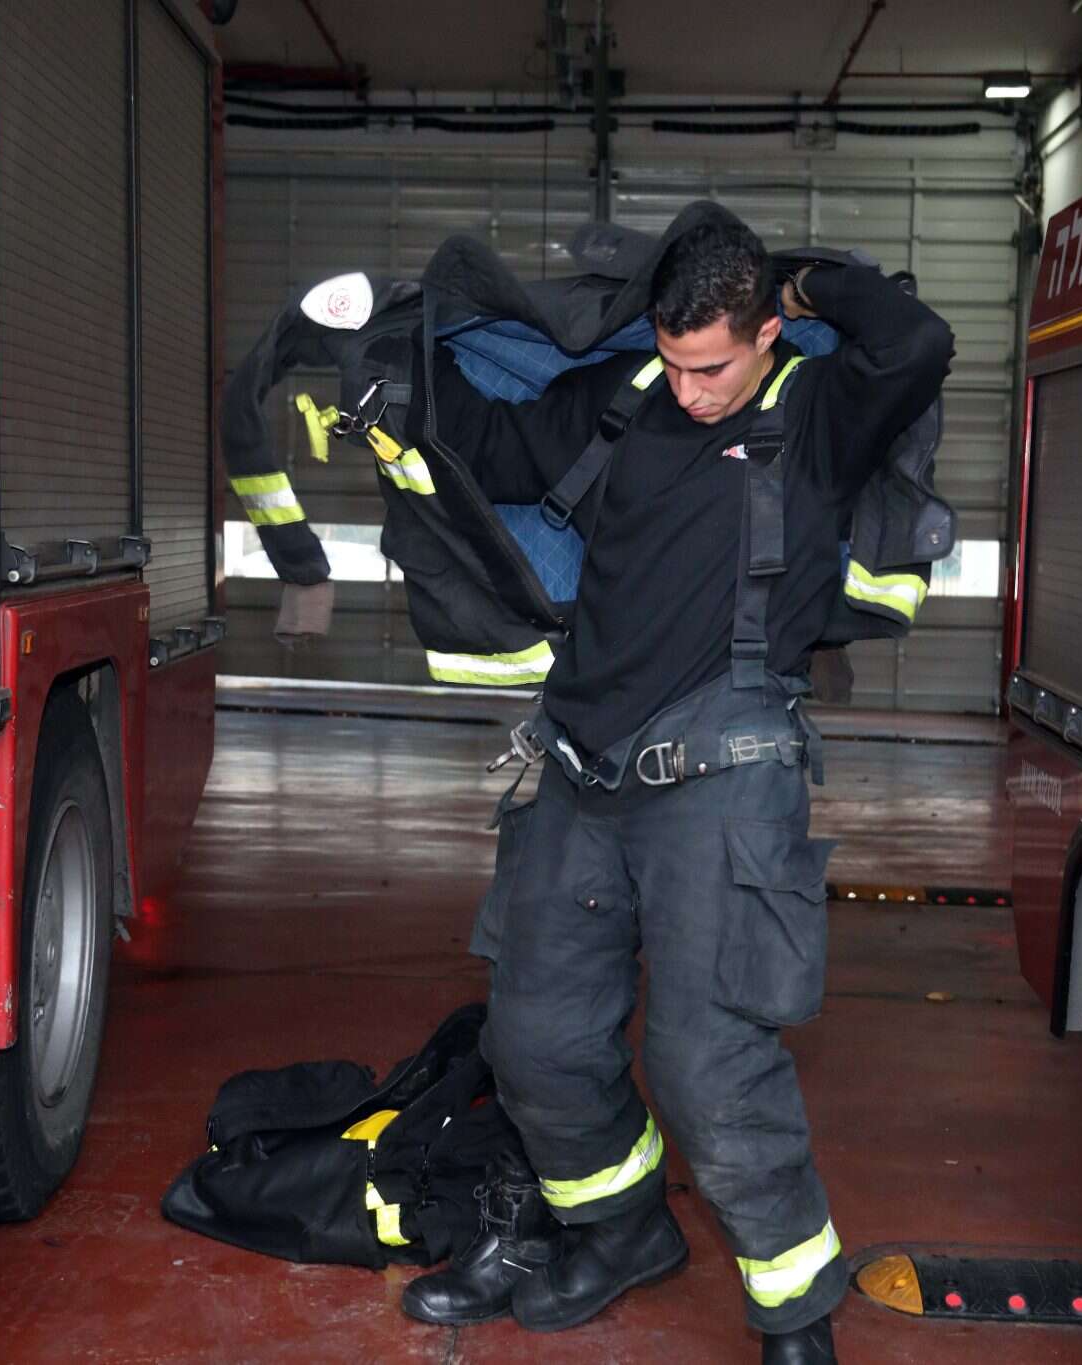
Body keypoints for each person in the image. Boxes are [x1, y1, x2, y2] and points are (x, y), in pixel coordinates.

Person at [398, 208, 954, 1364]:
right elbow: (490, 448)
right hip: (578, 773)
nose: (692, 390)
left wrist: (803, 286)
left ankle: (793, 1314)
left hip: (723, 780)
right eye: (675, 360)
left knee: (706, 1068)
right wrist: (385, 384)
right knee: (534, 1043)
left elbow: (917, 342)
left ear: (762, 336)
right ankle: (620, 1231)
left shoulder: (817, 415)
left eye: (713, 367)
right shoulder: (622, 404)